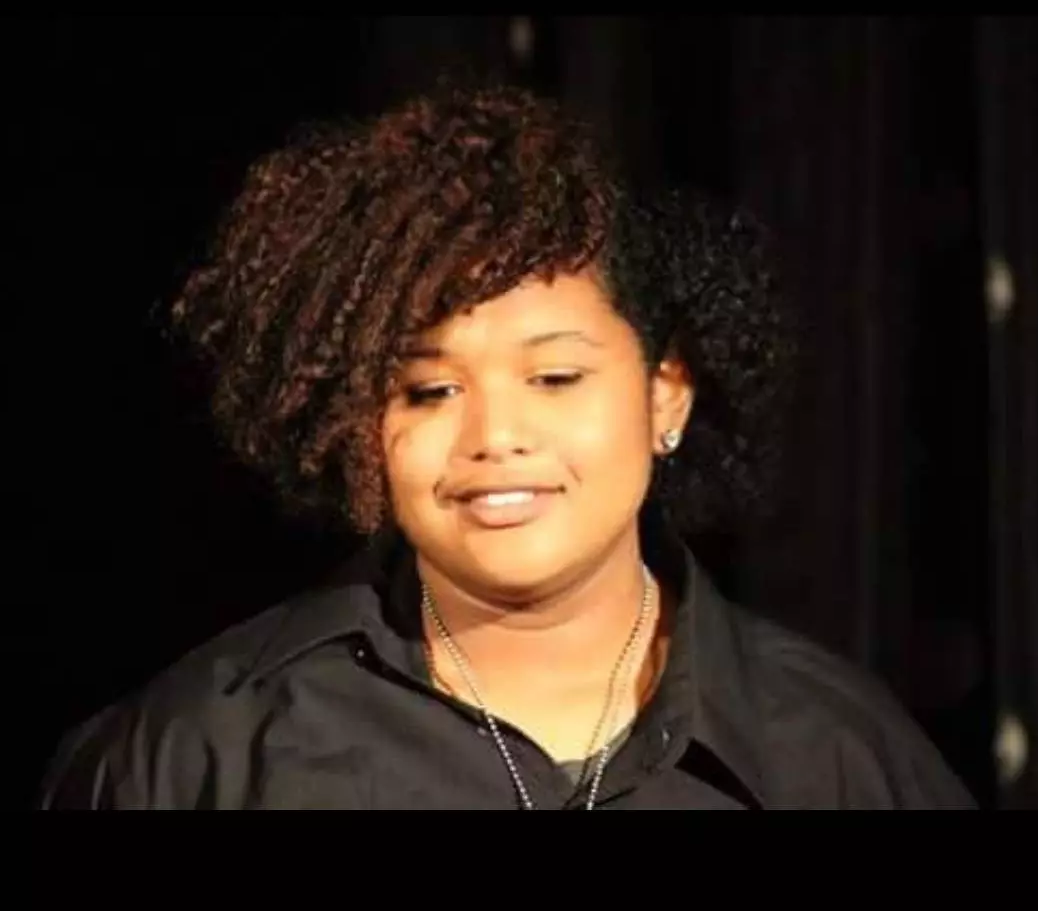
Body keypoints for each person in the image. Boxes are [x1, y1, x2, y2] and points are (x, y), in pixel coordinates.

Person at [39, 81, 976, 810]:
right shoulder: (202, 755)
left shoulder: (837, 755)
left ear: (667, 393)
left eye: (555, 378)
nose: (495, 437)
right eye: (431, 389)